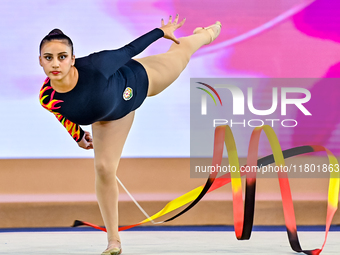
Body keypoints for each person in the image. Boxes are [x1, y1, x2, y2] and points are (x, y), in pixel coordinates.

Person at [39, 15, 221, 255]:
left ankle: (204, 34)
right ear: (40, 61)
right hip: (112, 118)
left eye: (62, 57)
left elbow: (129, 49)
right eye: (48, 58)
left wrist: (161, 31)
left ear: (72, 59)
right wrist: (79, 136)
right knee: (104, 169)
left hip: (141, 80)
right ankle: (113, 241)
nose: (55, 64)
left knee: (180, 53)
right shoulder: (47, 96)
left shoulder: (96, 65)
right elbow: (60, 114)